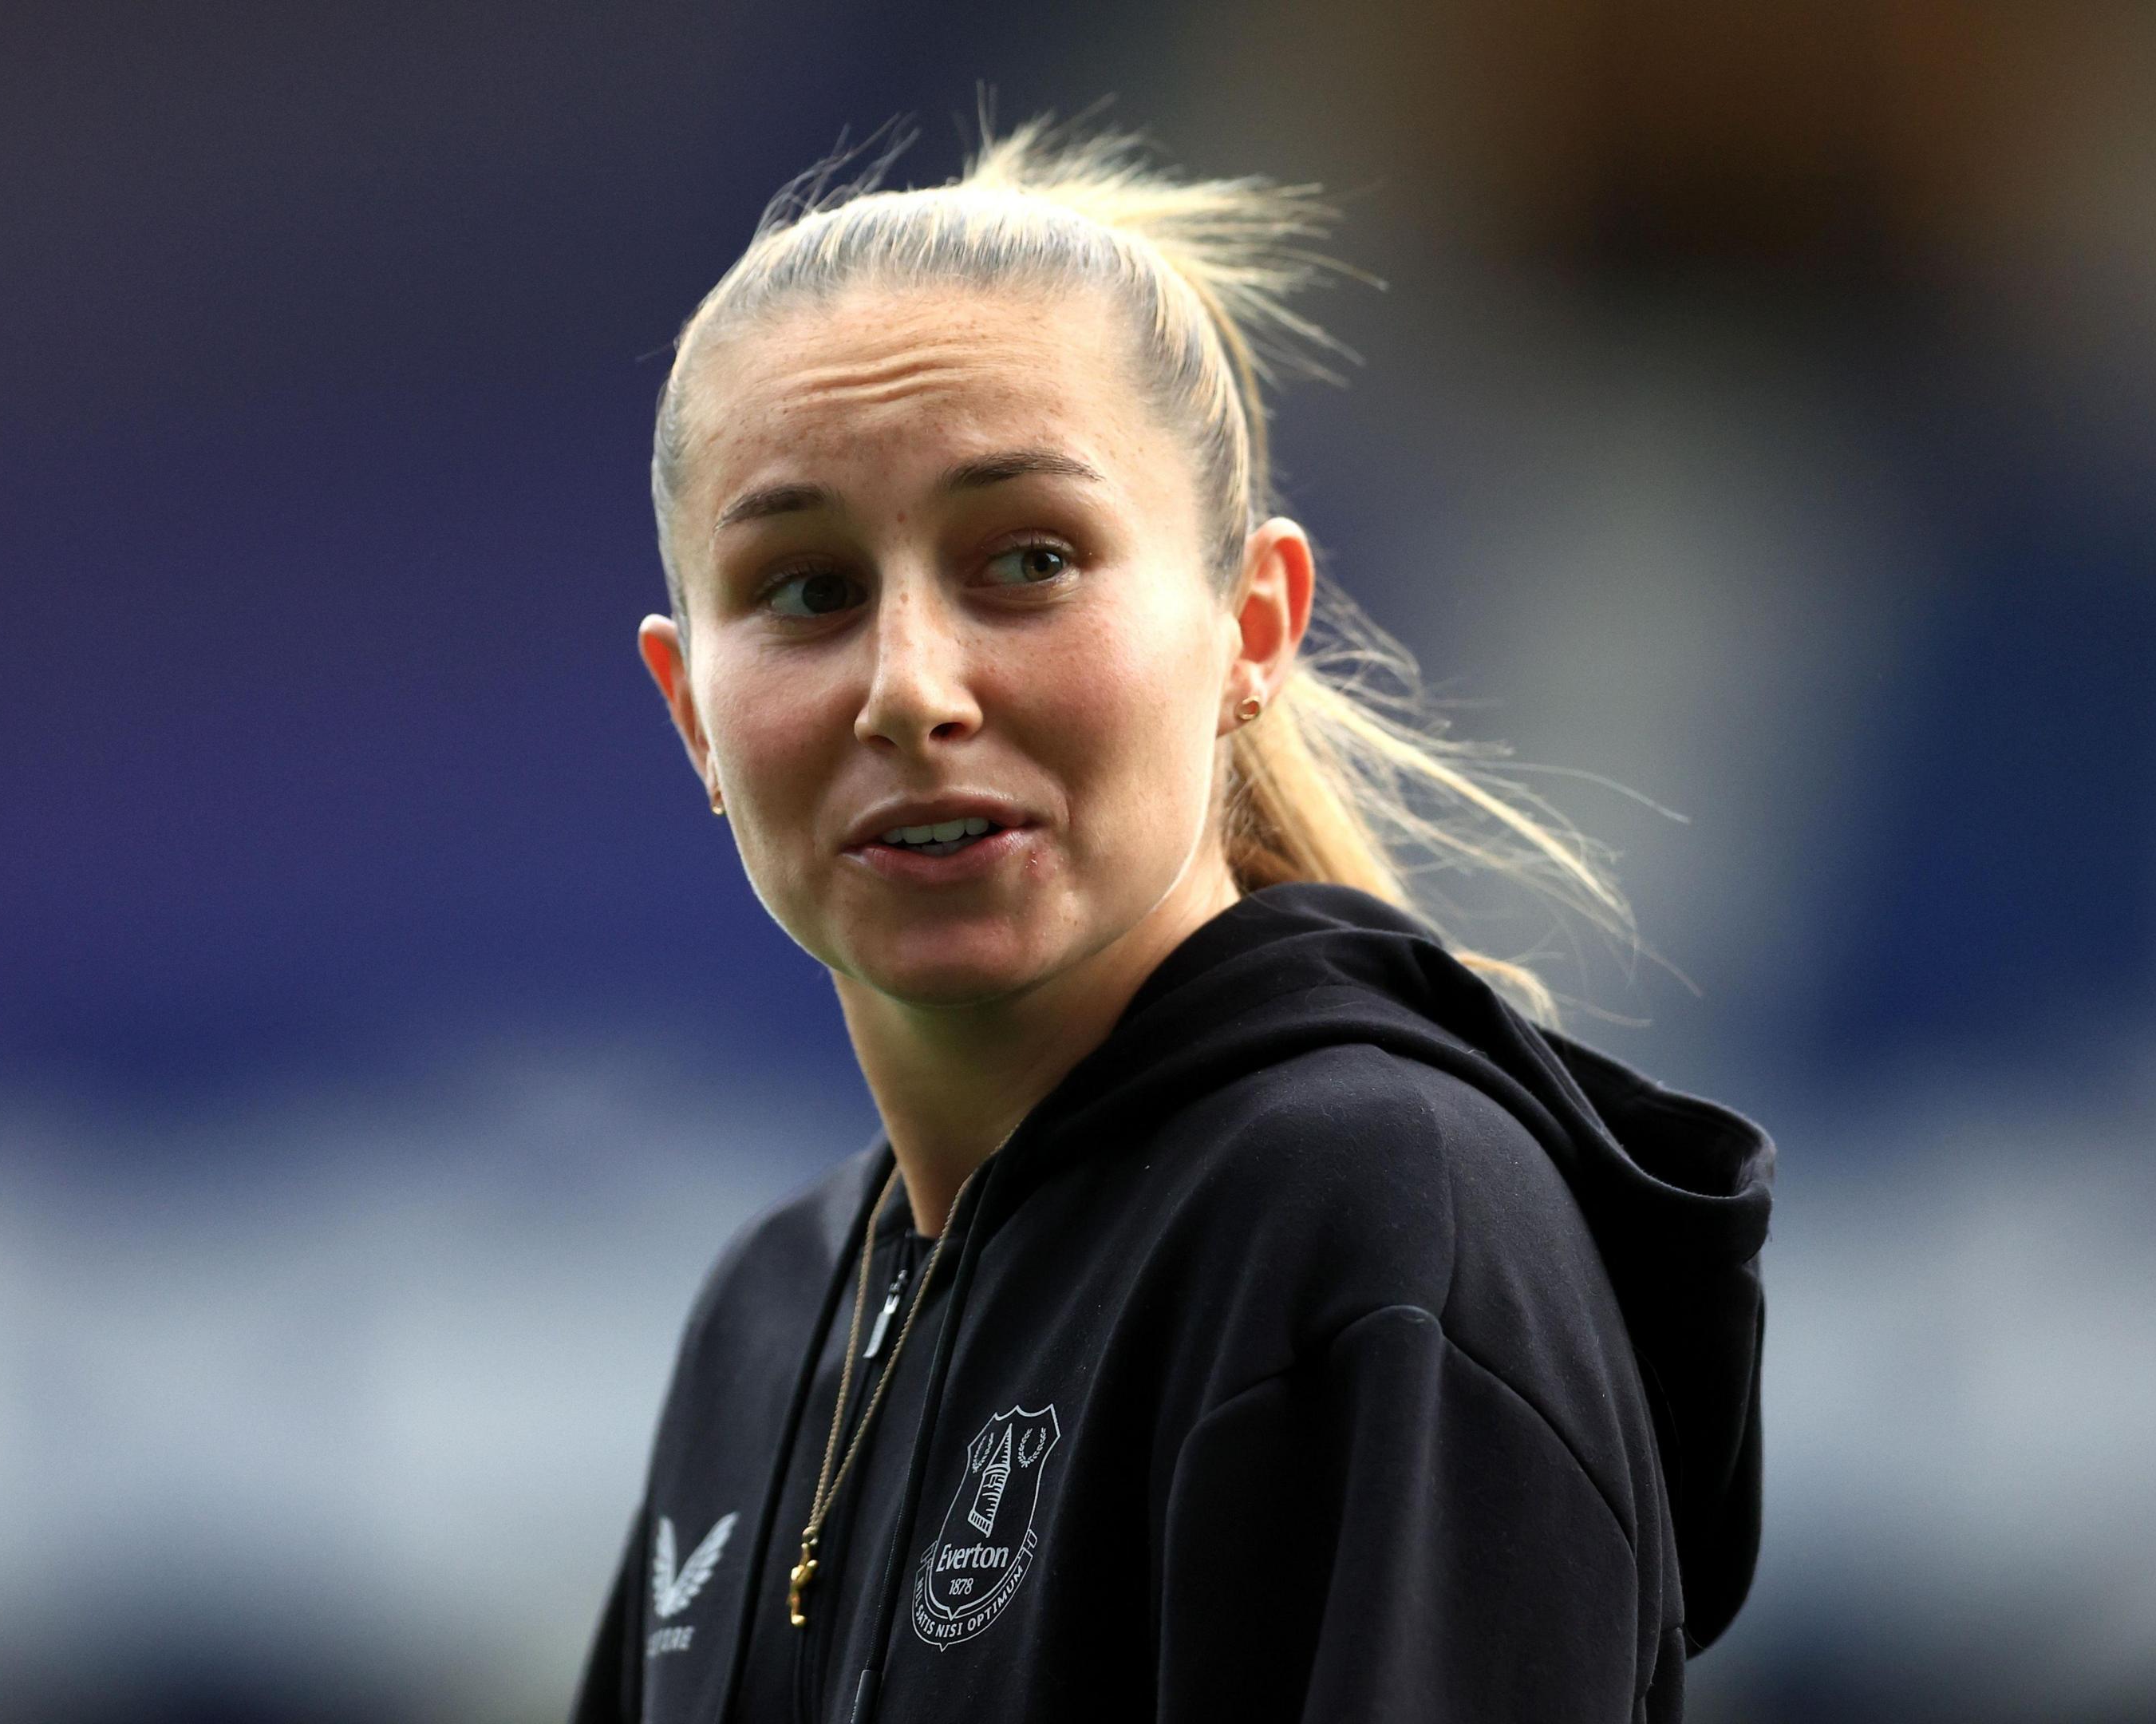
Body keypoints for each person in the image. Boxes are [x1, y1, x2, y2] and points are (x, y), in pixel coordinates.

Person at [573, 121, 1774, 1724]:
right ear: (692, 719)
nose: (913, 688)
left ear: (1250, 625)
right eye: (807, 591)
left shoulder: (1376, 1216)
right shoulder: (770, 1315)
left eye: (1030, 560)